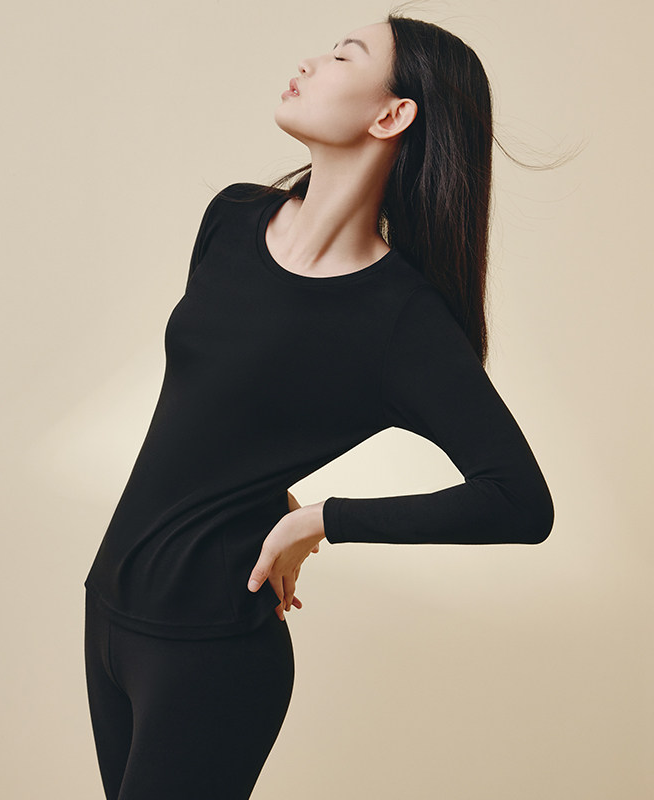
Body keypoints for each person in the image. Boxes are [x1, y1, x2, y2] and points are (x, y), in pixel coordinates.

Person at [83, 11, 555, 799]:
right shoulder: (232, 217)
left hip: (210, 650)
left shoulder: (401, 321)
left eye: (344, 55)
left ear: (391, 115)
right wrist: (269, 489)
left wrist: (320, 520)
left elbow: (520, 501)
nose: (310, 61)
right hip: (108, 606)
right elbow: (226, 408)